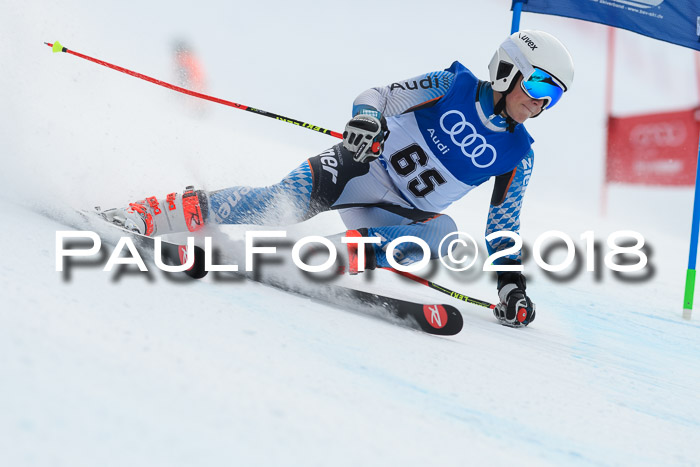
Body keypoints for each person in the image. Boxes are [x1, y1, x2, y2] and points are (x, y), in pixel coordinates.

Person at [102, 30, 574, 328]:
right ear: (509, 71)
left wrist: (511, 288)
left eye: (551, 97)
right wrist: (366, 119)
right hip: (358, 168)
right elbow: (378, 95)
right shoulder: (453, 84)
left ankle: (311, 260)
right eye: (537, 86)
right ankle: (147, 215)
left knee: (442, 234)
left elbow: (502, 229)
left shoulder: (519, 155)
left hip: (399, 213)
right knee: (275, 207)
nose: (539, 103)